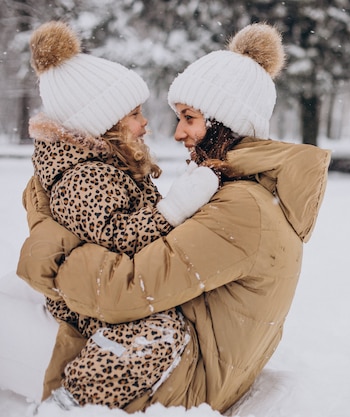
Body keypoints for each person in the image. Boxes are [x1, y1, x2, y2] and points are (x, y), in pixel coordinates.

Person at [17, 22, 330, 413]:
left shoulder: (242, 209)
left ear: (224, 122)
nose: (177, 132)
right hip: (174, 363)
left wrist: (55, 253)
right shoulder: (242, 193)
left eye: (189, 117)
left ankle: (61, 409)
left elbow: (128, 290)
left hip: (178, 384)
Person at [24, 21, 219, 409]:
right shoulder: (83, 175)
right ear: (104, 125)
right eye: (134, 114)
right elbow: (118, 234)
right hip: (89, 294)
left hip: (114, 282)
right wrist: (175, 209)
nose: (144, 123)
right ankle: (72, 400)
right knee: (157, 332)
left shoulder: (108, 165)